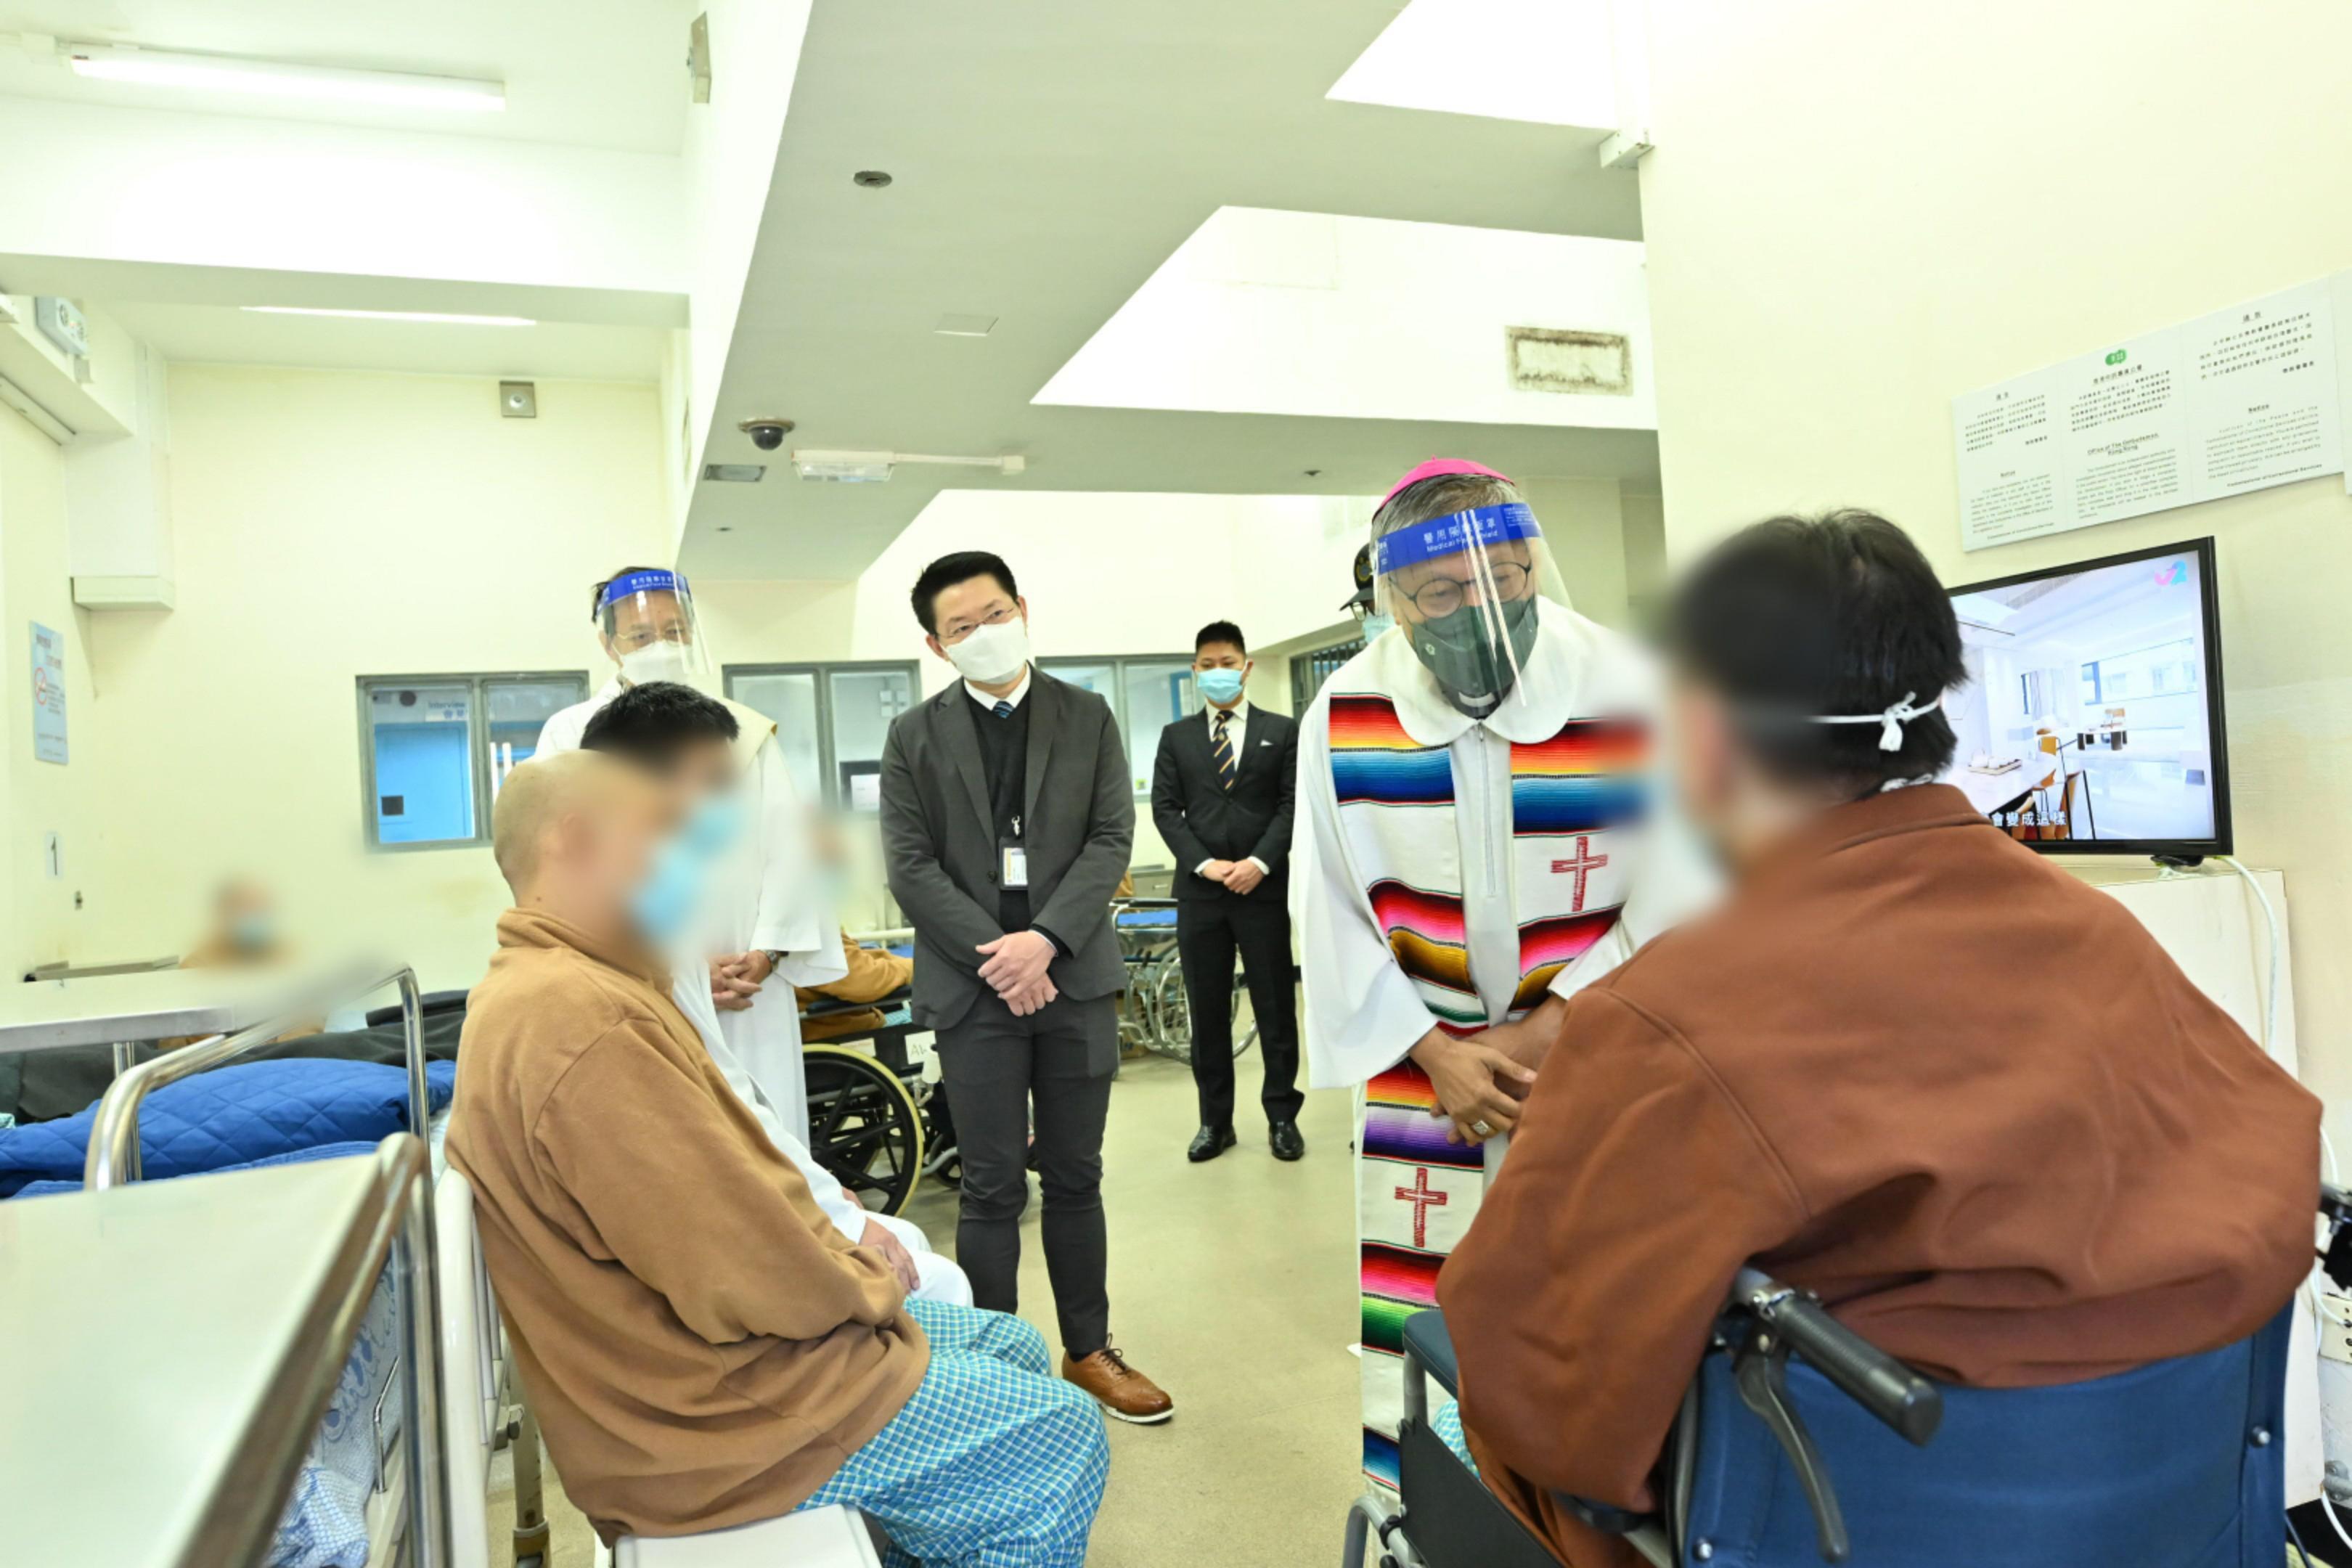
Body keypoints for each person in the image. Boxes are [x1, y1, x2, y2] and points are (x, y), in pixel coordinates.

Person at [1441, 512, 2321, 1567]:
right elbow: (2275, 1169)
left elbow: (1542, 1388)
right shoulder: (2100, 933)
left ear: (1705, 738)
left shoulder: (1664, 1015)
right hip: (2170, 1520)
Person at [446, 751, 1107, 1564]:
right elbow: (738, 1262)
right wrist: (862, 1277)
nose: (690, 871)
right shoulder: (579, 1020)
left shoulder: (570, 984)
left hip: (694, 1370)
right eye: (664, 841)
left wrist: (844, 1241)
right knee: (1058, 1434)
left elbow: (733, 1188)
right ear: (580, 841)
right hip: (707, 1421)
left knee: (1006, 1345)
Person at [1290, 459, 1712, 1492]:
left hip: (1597, 1048)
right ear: (1393, 599)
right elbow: (1327, 908)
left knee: (1603, 1298)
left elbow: (1683, 881)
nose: (1482, 608)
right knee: (1432, 1304)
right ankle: (1429, 1510)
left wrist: (1546, 1029)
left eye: (1509, 576)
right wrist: (1438, 1054)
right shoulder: (1346, 713)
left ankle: (1597, 1512)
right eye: (1444, 593)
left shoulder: (1634, 688)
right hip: (1425, 1069)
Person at [878, 550, 1174, 1424]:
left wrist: (1044, 942)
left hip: (1073, 978)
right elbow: (910, 864)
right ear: (936, 644)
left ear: (1023, 609)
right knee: (992, 1183)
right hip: (976, 993)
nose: (983, 634)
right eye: (961, 626)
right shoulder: (915, 737)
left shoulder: (1087, 718)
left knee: (1077, 1175)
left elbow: (1110, 838)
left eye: (994, 613)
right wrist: (998, 953)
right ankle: (993, 1364)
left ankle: (1089, 1351)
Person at [577, 682, 971, 1306]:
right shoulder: (631, 935)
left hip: (743, 1093)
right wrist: (821, 1205)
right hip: (703, 1233)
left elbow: (729, 1087)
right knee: (936, 1279)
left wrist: (812, 1185)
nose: (726, 809)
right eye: (713, 784)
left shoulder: (633, 910)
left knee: (911, 1250)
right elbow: (714, 1110)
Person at [534, 565, 845, 1141]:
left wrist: (768, 952)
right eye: (642, 636)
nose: (662, 646)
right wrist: (675, 969)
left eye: (676, 631)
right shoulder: (571, 737)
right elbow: (562, 864)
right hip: (638, 983)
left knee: (771, 1143)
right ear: (608, 644)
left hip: (751, 991)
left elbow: (789, 846)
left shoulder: (743, 732)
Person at [1149, 620, 1304, 1162]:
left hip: (1262, 891)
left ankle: (1283, 1117)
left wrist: (1260, 861)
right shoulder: (1177, 737)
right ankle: (1215, 1123)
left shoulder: (1282, 731)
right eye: (1208, 665)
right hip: (1202, 895)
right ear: (1196, 671)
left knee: (1275, 1009)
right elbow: (1166, 810)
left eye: (1228, 662)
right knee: (1208, 1012)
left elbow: (1291, 804)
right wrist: (1205, 864)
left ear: (1247, 666)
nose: (1219, 672)